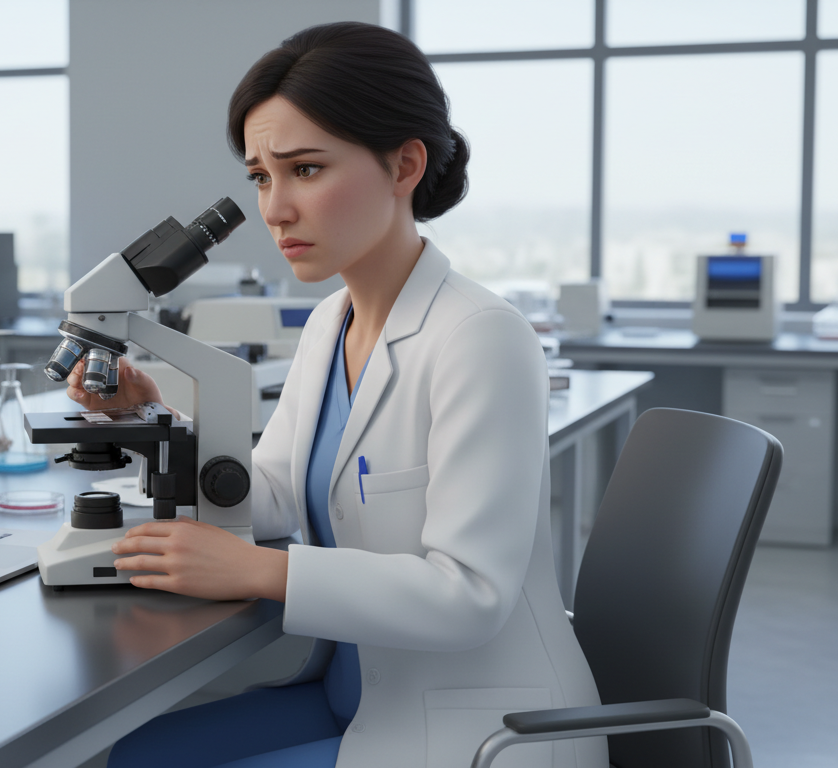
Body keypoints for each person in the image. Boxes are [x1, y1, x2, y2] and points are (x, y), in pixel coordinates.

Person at [74, 22, 607, 768]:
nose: (275, 209)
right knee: (124, 757)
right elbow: (274, 494)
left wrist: (262, 571)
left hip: (477, 729)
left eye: (307, 170)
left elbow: (471, 594)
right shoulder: (334, 320)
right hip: (357, 693)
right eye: (262, 177)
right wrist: (149, 415)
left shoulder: (481, 335)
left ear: (404, 164)